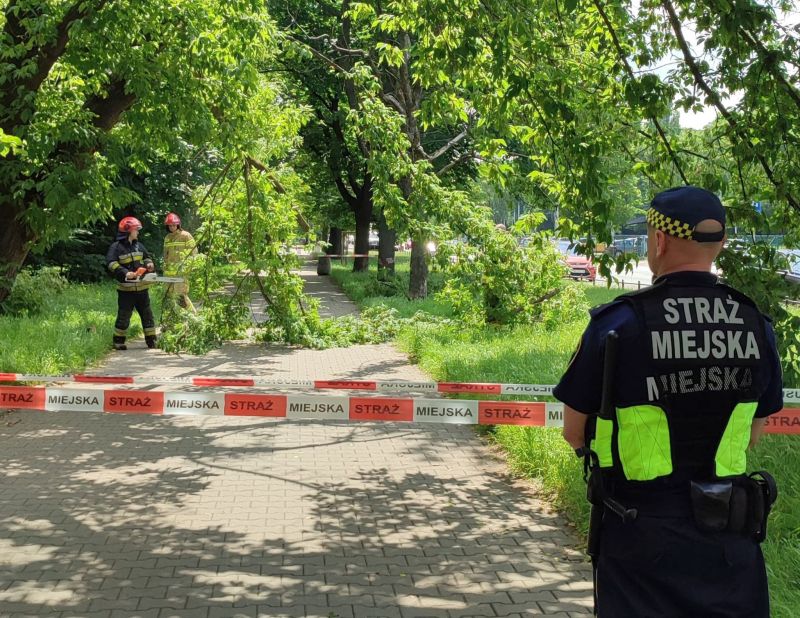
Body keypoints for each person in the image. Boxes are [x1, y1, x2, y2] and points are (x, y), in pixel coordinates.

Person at [554, 186, 783, 617]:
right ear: (722, 244)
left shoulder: (618, 323)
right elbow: (753, 433)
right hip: (729, 540)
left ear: (659, 240)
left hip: (639, 538)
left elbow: (573, 432)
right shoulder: (755, 324)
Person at [106, 216, 157, 350]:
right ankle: (118, 341)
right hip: (126, 290)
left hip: (142, 289)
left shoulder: (139, 245)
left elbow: (146, 257)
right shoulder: (116, 247)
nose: (138, 232)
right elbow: (111, 263)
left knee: (147, 315)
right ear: (128, 231)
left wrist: (149, 264)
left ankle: (152, 341)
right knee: (124, 316)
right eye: (136, 230)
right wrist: (125, 272)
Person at [162, 212, 197, 311]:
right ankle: (174, 318)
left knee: (181, 295)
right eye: (170, 226)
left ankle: (192, 316)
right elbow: (165, 254)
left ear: (178, 225)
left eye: (174, 225)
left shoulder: (186, 235)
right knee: (169, 296)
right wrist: (165, 266)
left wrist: (190, 267)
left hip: (182, 272)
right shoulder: (167, 238)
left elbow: (194, 252)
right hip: (169, 273)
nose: (172, 227)